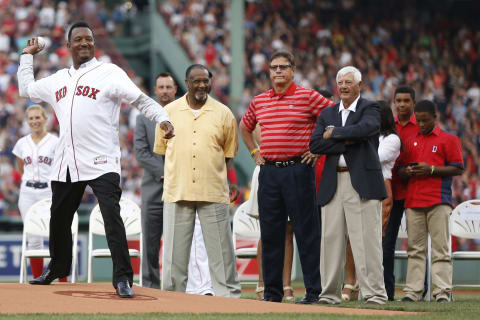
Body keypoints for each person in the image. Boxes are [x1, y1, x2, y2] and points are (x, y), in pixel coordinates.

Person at [17, 21, 174, 298]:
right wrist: (27, 56)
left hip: (102, 160)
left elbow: (139, 100)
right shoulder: (58, 79)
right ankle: (57, 267)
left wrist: (162, 117)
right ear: (68, 46)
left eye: (88, 39)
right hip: (67, 161)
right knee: (59, 217)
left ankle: (123, 278)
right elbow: (26, 89)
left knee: (112, 216)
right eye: (78, 39)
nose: (84, 43)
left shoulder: (109, 72)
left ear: (93, 43)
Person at [240, 50, 333, 304]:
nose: (278, 71)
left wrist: (317, 149)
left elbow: (334, 117)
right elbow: (245, 126)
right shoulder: (260, 100)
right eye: (274, 67)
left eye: (283, 67)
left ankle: (313, 292)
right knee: (271, 233)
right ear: (269, 72)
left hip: (298, 170)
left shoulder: (307, 96)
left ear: (293, 70)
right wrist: (253, 151)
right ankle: (272, 293)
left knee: (306, 232)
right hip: (269, 171)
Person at [153, 64, 241, 298]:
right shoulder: (167, 112)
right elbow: (162, 150)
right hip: (177, 189)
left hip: (212, 189)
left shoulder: (224, 113)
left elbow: (229, 154)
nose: (202, 85)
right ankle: (172, 299)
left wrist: (231, 182)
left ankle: (229, 298)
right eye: (196, 81)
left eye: (206, 80)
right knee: (174, 255)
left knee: (221, 252)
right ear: (187, 82)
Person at [310, 66, 388, 305]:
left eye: (348, 82)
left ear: (359, 86)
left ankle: (374, 294)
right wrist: (349, 140)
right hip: (333, 182)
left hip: (362, 183)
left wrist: (333, 135)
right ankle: (329, 294)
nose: (343, 86)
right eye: (340, 82)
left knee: (367, 241)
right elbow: (315, 145)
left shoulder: (370, 107)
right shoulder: (327, 113)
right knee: (330, 240)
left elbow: (368, 129)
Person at [399, 100, 464, 303]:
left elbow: (458, 168)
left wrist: (432, 169)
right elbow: (400, 170)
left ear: (435, 118)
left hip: (439, 201)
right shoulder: (409, 141)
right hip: (413, 201)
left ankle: (443, 292)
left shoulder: (449, 140)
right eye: (418, 121)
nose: (422, 124)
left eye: (425, 120)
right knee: (415, 250)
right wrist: (407, 172)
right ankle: (412, 292)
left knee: (440, 249)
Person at [12, 104, 65, 281]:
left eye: (38, 117)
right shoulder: (21, 143)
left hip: (49, 192)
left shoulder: (55, 141)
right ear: (27, 121)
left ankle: (63, 280)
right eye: (31, 118)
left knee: (56, 235)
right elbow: (21, 167)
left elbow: (61, 166)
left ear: (45, 119)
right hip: (27, 193)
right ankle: (37, 280)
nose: (35, 121)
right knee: (34, 238)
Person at [134, 72, 176, 289]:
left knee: (177, 243)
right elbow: (141, 153)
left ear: (175, 89)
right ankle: (150, 285)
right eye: (161, 87)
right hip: (153, 190)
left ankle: (175, 286)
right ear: (155, 90)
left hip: (179, 190)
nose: (165, 91)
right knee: (150, 243)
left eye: (169, 87)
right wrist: (167, 173)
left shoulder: (184, 117)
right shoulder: (143, 118)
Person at [245, 125, 295, 303]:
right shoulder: (263, 107)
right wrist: (255, 153)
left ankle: (286, 285)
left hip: (290, 169)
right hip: (267, 166)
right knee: (267, 231)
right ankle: (262, 283)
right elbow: (252, 132)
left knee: (289, 231)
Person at [382, 85, 419, 301]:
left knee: (417, 244)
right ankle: (387, 292)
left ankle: (418, 290)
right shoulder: (389, 127)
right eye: (399, 101)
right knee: (387, 244)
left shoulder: (421, 125)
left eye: (406, 100)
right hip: (391, 193)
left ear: (413, 102)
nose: (402, 104)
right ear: (394, 103)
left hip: (415, 193)